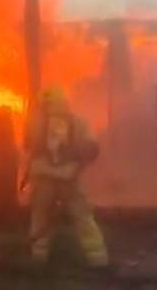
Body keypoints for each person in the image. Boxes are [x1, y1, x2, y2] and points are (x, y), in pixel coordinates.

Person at [24, 85, 108, 268]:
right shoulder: (77, 122)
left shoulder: (37, 121)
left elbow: (28, 144)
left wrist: (71, 153)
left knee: (41, 218)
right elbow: (91, 148)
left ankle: (38, 256)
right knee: (82, 217)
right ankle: (97, 258)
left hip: (48, 177)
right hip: (66, 177)